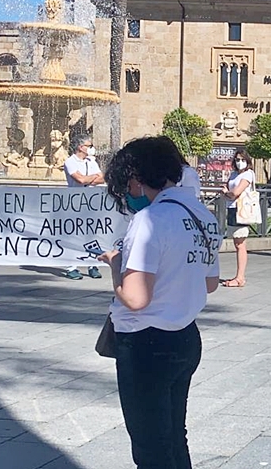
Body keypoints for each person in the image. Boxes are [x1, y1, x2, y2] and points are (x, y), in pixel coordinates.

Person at [97, 135, 220, 469]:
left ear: (135, 180)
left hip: (145, 342)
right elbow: (210, 283)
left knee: (150, 446)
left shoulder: (150, 219)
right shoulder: (202, 216)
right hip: (185, 336)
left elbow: (135, 298)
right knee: (173, 436)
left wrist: (115, 264)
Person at [63, 135, 105, 280]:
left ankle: (93, 264)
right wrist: (91, 178)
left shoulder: (91, 161)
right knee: (73, 234)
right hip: (74, 202)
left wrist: (89, 179)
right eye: (89, 145)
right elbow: (79, 180)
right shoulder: (70, 162)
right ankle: (71, 266)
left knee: (92, 233)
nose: (91, 148)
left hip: (91, 202)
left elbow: (102, 178)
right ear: (81, 147)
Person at [221, 150, 255, 288]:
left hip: (242, 209)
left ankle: (240, 277)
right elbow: (227, 189)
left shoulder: (248, 174)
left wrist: (227, 193)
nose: (239, 162)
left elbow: (235, 192)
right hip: (232, 208)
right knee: (237, 243)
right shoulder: (234, 174)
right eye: (237, 160)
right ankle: (238, 276)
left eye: (242, 159)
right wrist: (227, 193)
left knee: (240, 243)